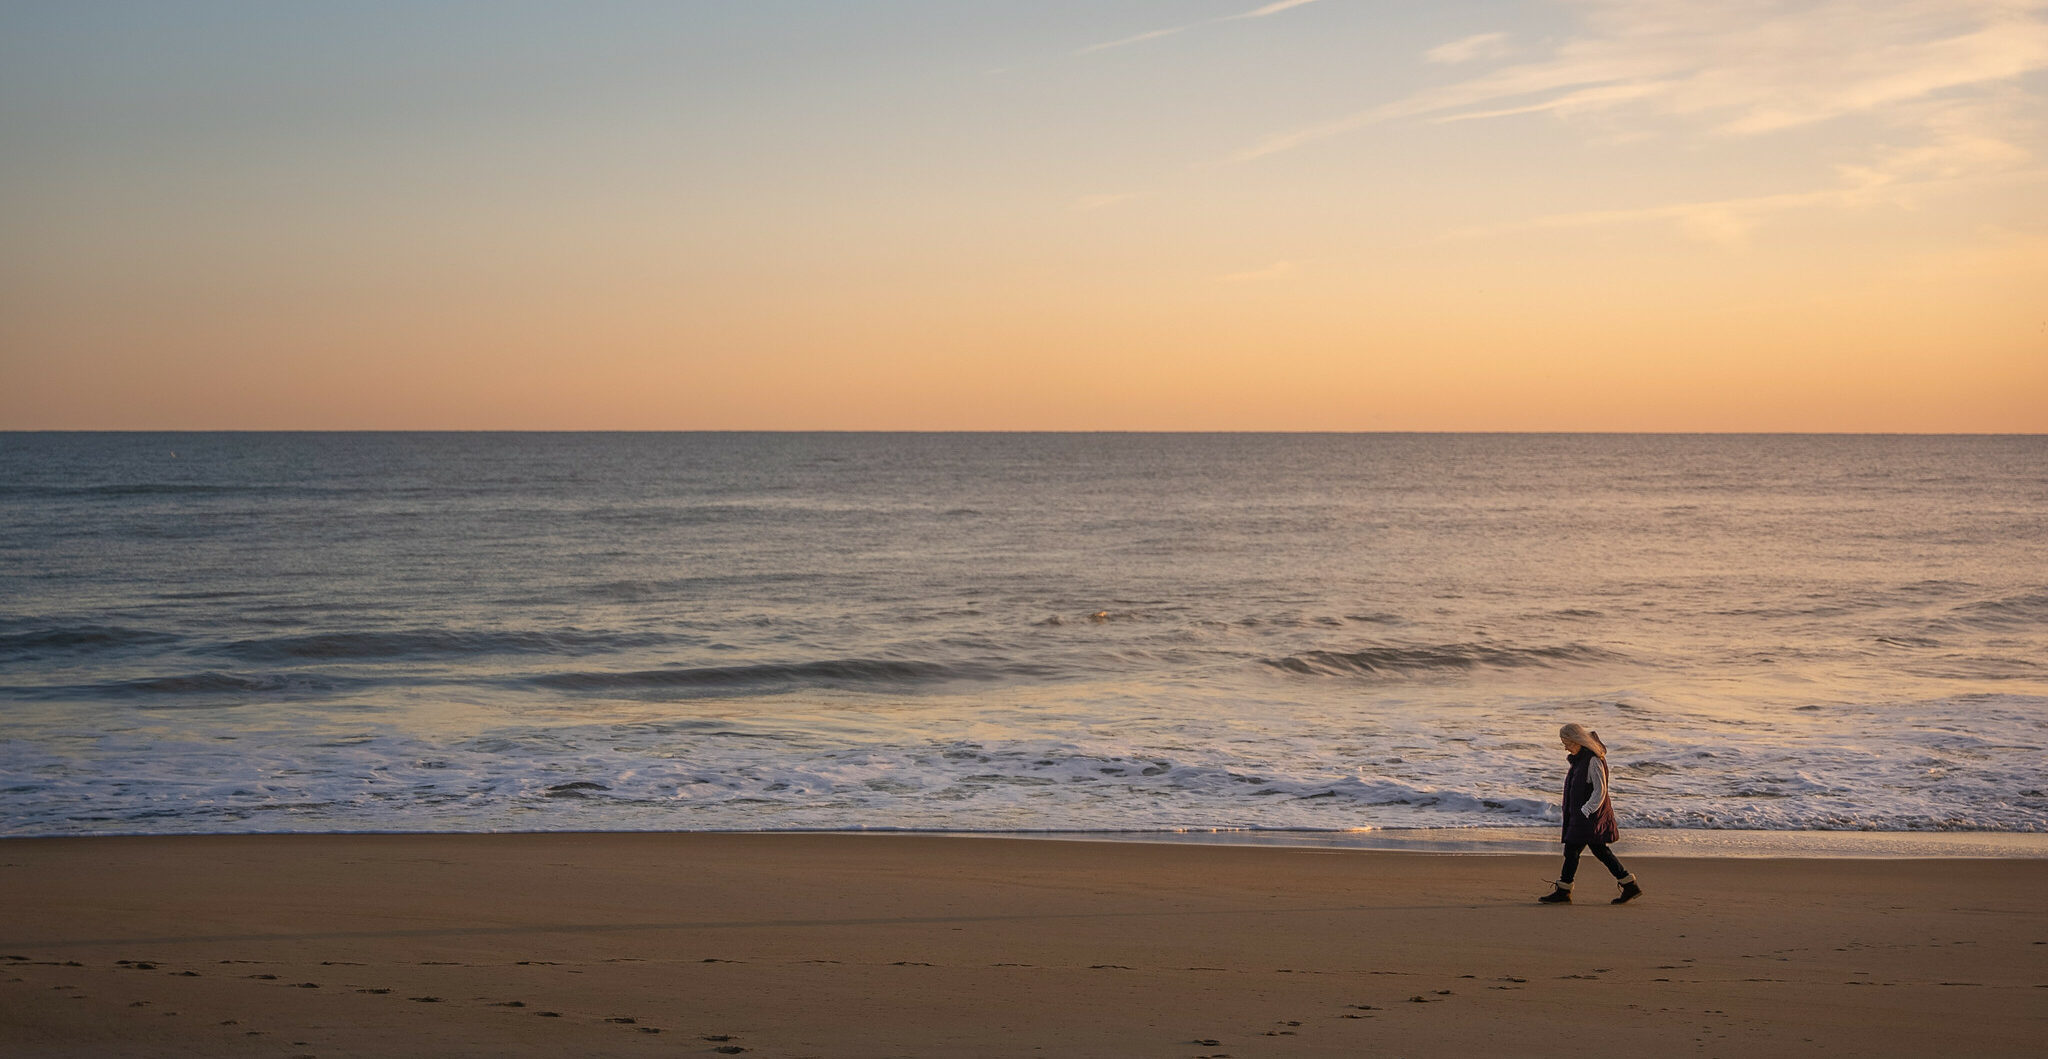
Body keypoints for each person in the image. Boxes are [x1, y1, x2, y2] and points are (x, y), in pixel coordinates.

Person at [1538, 722, 1642, 904]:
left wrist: (1586, 811)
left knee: (1573, 850)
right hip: (1582, 816)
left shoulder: (1593, 760)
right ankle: (1628, 885)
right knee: (1598, 850)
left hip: (1589, 816)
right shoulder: (1579, 761)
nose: (1565, 747)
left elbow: (1600, 791)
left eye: (1567, 743)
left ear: (1577, 740)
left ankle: (1564, 891)